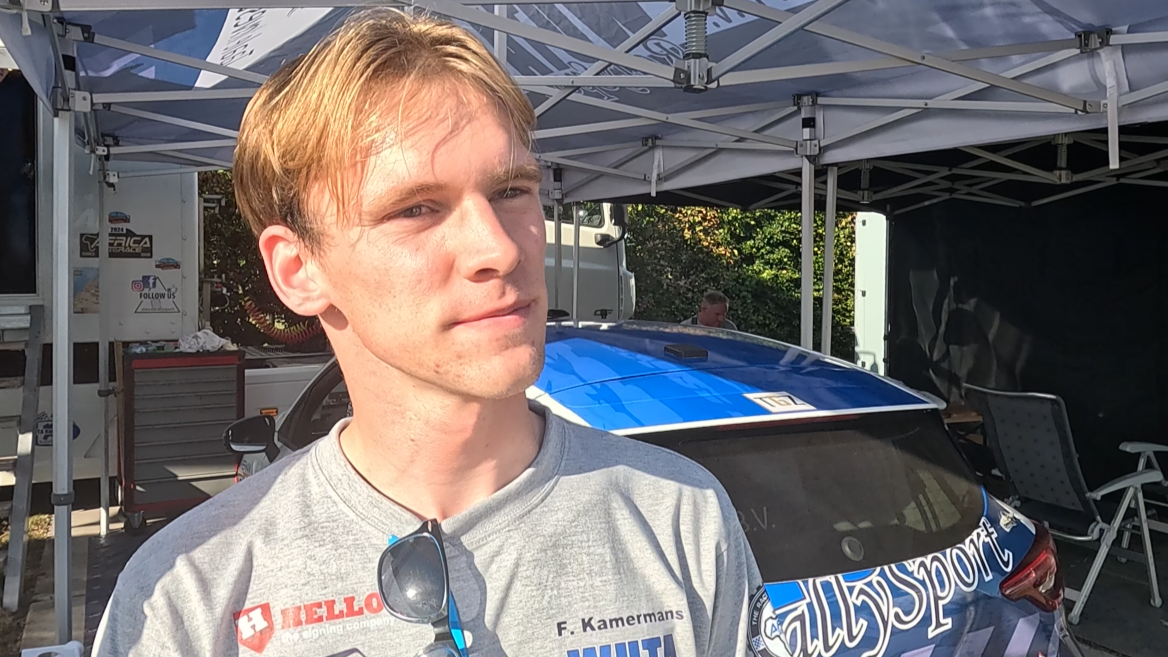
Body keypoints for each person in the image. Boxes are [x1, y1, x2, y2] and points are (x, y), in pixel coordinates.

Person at [93, 9, 761, 657]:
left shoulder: (684, 520)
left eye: (511, 191)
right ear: (299, 271)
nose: (499, 248)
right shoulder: (188, 598)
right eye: (416, 208)